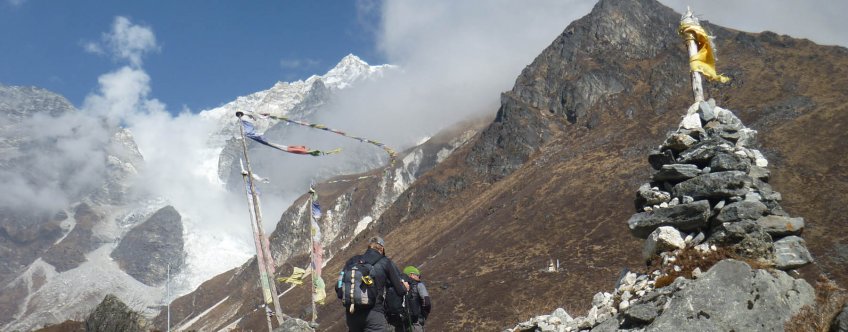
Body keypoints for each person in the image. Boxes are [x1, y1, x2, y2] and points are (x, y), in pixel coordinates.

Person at [337, 236, 407, 332]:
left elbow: (339, 288)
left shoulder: (353, 261)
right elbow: (400, 291)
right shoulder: (385, 262)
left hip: (352, 314)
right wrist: (405, 287)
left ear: (369, 246)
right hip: (374, 313)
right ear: (382, 249)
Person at [403, 266, 431, 332]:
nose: (419, 278)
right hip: (416, 321)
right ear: (411, 275)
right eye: (418, 275)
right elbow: (427, 302)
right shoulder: (419, 285)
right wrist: (424, 314)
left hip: (403, 322)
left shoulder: (399, 286)